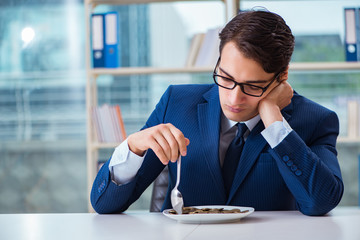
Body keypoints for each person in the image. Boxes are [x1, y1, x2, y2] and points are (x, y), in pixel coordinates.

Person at [91, 9, 343, 216]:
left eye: (253, 86)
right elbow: (104, 205)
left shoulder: (316, 120)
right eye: (225, 77)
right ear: (219, 59)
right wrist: (133, 147)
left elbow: (320, 202)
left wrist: (272, 115)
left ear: (282, 76)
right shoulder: (176, 103)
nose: (234, 98)